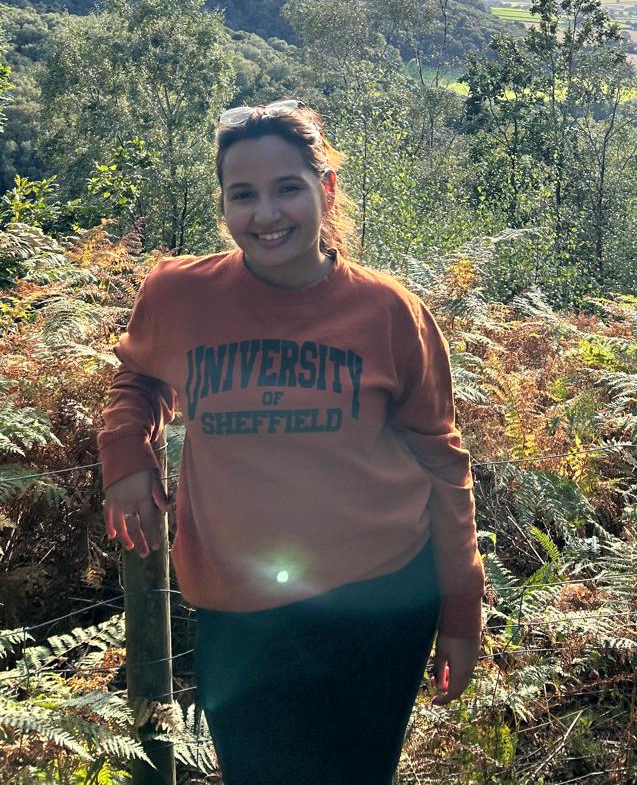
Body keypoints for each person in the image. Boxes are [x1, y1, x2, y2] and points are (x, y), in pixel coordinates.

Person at [98, 100, 484, 785]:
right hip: (239, 609)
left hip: (384, 600)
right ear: (222, 202)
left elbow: (444, 465)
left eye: (287, 189)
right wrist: (127, 455)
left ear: (325, 189)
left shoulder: (389, 312)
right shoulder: (181, 296)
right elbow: (139, 375)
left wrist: (460, 606)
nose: (266, 214)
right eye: (243, 195)